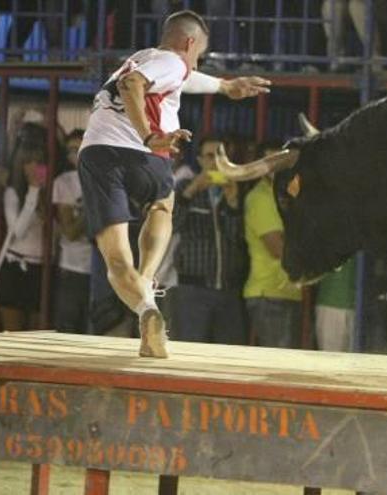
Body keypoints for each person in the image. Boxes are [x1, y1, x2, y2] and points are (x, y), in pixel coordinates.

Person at [77, 10, 270, 358]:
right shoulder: (171, 62)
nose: (196, 64)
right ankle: (148, 274)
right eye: (199, 55)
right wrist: (150, 135)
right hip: (144, 152)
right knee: (162, 204)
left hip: (96, 153)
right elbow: (134, 84)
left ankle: (146, 305)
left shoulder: (141, 59)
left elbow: (175, 77)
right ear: (190, 43)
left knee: (117, 262)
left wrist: (225, 86)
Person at [170, 136, 248, 344]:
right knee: (191, 351)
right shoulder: (184, 186)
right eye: (210, 156)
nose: (216, 162)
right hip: (193, 289)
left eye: (221, 156)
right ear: (199, 160)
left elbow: (238, 238)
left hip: (229, 290)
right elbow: (171, 226)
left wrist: (233, 204)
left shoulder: (237, 188)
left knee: (229, 354)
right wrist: (191, 192)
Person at [244, 141, 302, 348]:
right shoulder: (261, 197)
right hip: (268, 294)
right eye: (272, 163)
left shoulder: (285, 195)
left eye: (282, 162)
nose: (278, 168)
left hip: (284, 292)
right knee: (280, 362)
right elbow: (277, 248)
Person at [0, 147, 46, 330]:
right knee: (12, 334)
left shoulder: (50, 194)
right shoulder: (13, 193)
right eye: (28, 163)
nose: (34, 168)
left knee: (36, 335)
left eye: (39, 163)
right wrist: (33, 190)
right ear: (21, 166)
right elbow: (18, 231)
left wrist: (40, 191)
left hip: (40, 269)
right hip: (15, 267)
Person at [52, 129, 92, 333]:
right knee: (69, 329)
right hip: (73, 267)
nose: (74, 155)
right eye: (70, 150)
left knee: (96, 330)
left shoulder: (106, 179)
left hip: (102, 268)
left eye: (79, 149)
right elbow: (70, 232)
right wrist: (92, 204)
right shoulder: (64, 181)